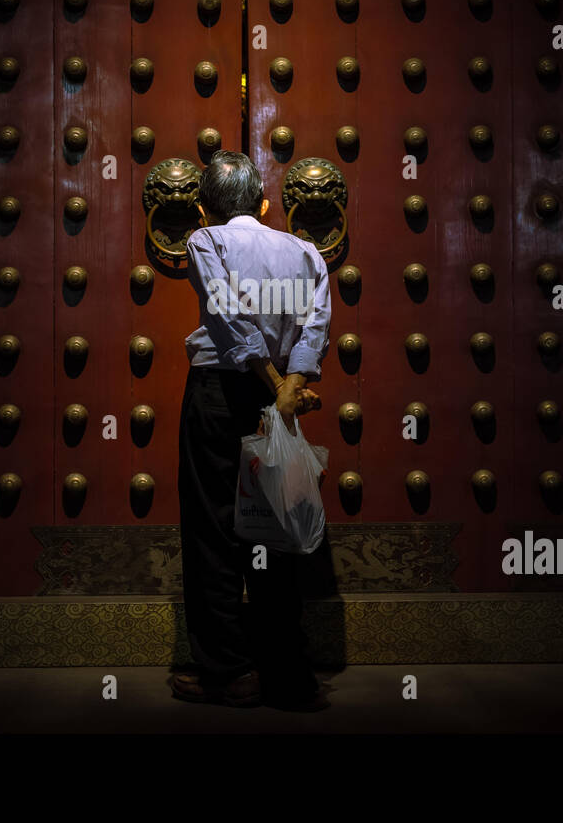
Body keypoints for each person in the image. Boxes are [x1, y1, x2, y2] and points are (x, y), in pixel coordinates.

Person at [173, 149, 332, 710]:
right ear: (265, 205)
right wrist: (289, 384)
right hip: (280, 400)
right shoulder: (306, 250)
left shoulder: (204, 241)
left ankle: (230, 672)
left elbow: (225, 315)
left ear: (201, 208)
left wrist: (270, 379)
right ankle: (288, 672)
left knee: (214, 529)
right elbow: (316, 322)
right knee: (276, 530)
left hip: (220, 393)